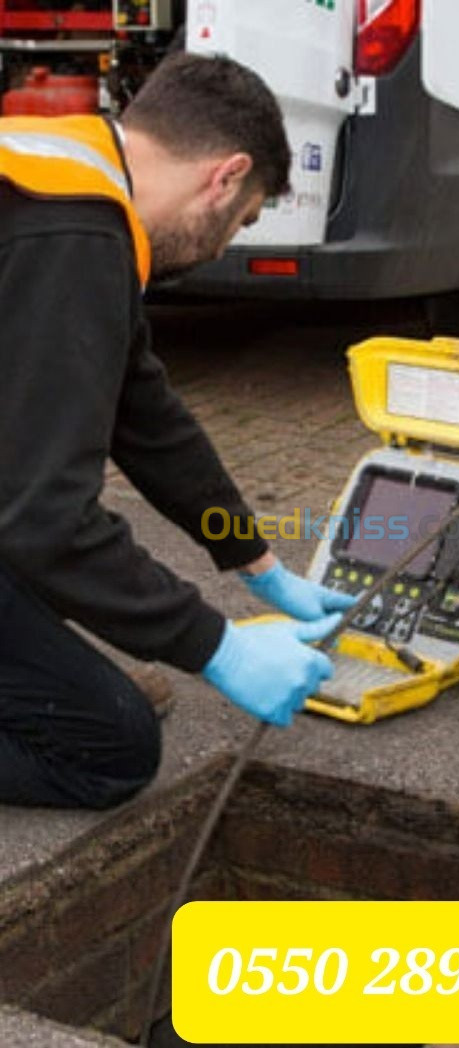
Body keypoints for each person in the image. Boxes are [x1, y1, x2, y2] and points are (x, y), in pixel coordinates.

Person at [0, 52, 354, 811]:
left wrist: (255, 561)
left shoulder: (61, 173)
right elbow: (44, 521)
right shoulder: (74, 234)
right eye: (244, 219)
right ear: (224, 178)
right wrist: (215, 646)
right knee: (108, 743)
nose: (224, 248)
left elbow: (145, 414)